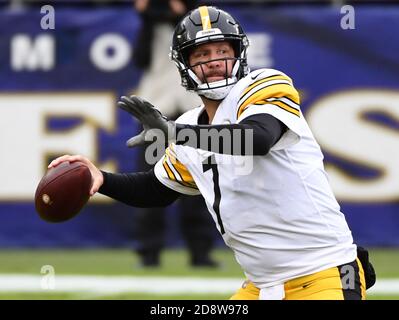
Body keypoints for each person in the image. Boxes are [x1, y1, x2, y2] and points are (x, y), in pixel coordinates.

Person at [49, 6, 376, 300]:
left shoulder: (264, 85)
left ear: (239, 54)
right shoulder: (191, 124)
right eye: (202, 54)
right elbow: (156, 190)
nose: (216, 61)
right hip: (261, 285)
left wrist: (177, 133)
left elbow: (256, 139)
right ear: (185, 64)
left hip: (323, 274)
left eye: (223, 50)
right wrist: (99, 178)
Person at [132, 0, 218, 267]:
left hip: (193, 108)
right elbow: (139, 59)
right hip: (156, 106)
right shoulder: (151, 25)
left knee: (199, 183)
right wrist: (147, 17)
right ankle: (149, 252)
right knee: (151, 181)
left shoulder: (199, 26)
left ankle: (200, 252)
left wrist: (179, 13)